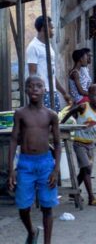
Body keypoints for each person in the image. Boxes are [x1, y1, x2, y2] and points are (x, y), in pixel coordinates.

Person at [8, 76, 60, 244]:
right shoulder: (20, 113)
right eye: (31, 86)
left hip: (45, 163)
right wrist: (11, 169)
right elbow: (14, 140)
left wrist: (55, 169)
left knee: (47, 206)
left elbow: (58, 144)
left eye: (39, 86)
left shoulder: (51, 115)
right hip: (25, 164)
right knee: (23, 206)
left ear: (45, 89)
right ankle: (31, 231)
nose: (35, 89)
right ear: (26, 90)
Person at [60, 84, 96, 206]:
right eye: (95, 95)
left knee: (85, 171)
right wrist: (61, 124)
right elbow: (70, 111)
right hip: (79, 143)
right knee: (86, 168)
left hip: (90, 145)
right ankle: (91, 197)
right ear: (89, 96)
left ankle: (74, 190)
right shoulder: (83, 107)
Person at [26, 16, 71, 112]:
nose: (53, 30)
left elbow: (51, 74)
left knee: (55, 121)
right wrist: (38, 93)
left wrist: (64, 93)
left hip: (52, 91)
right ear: (43, 28)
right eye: (51, 27)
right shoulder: (33, 47)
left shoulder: (48, 46)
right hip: (43, 92)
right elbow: (32, 74)